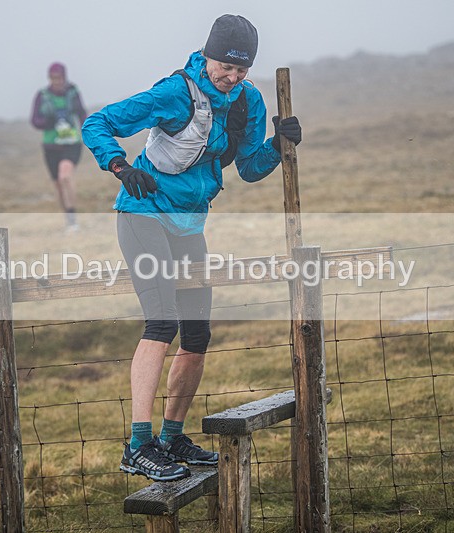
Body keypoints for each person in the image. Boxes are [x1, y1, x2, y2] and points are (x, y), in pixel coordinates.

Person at [82, 14, 302, 482]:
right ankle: (138, 446)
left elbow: (248, 167)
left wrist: (279, 144)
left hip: (188, 225)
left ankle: (171, 436)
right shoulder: (175, 92)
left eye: (242, 70)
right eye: (225, 66)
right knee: (161, 323)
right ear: (208, 54)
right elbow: (97, 123)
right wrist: (120, 166)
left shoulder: (249, 101)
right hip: (142, 213)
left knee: (197, 336)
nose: (233, 76)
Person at [31, 62, 87, 230]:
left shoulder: (73, 93)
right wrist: (47, 122)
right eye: (53, 78)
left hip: (71, 143)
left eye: (59, 77)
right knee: (57, 184)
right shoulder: (42, 96)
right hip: (51, 146)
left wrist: (89, 131)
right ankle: (69, 220)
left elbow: (82, 113)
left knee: (65, 177)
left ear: (64, 77)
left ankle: (73, 219)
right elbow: (34, 120)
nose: (56, 81)